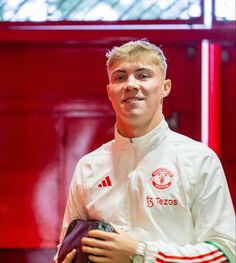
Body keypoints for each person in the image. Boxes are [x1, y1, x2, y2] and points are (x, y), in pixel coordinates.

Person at [55, 39, 235, 263]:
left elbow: (225, 252)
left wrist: (141, 254)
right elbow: (66, 248)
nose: (130, 84)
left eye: (143, 75)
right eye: (120, 77)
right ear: (110, 92)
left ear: (165, 87)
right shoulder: (89, 166)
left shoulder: (199, 160)